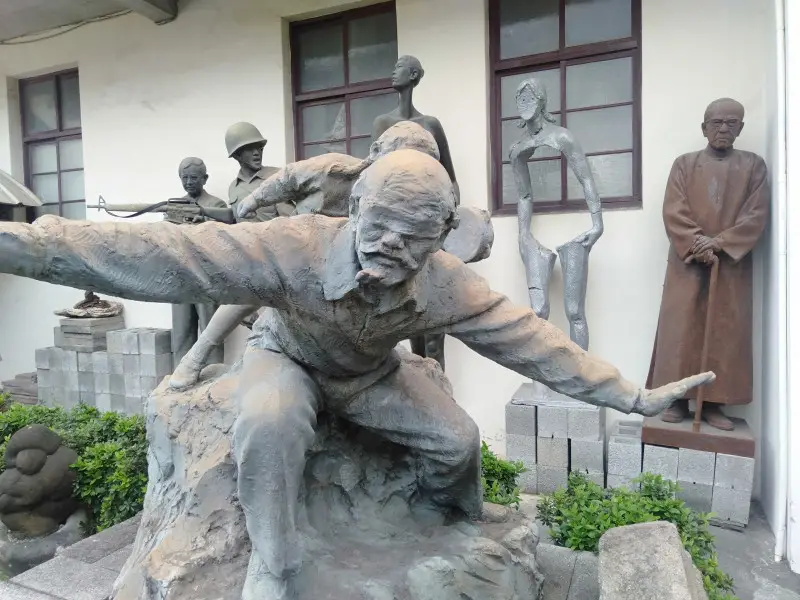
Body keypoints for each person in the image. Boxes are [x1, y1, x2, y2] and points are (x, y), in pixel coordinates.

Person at [0, 150, 713, 600]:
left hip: (371, 376)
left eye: (415, 239)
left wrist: (631, 394)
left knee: (458, 440)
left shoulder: (444, 283)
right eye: (381, 230)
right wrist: (27, 247)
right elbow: (169, 254)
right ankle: (276, 564)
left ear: (439, 238)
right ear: (357, 209)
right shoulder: (294, 246)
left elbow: (532, 342)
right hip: (290, 359)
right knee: (269, 420)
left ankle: (446, 526)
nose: (393, 250)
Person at [647, 98, 769, 431]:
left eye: (732, 123)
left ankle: (714, 403)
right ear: (704, 128)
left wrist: (720, 243)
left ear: (741, 128)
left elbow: (756, 215)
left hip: (730, 265)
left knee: (723, 334)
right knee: (681, 331)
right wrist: (697, 243)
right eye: (716, 123)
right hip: (687, 263)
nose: (724, 129)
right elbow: (674, 209)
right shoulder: (684, 165)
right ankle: (676, 399)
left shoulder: (753, 166)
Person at [372, 55, 461, 367]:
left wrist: (451, 215)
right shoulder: (383, 125)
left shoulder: (430, 125)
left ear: (413, 75)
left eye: (398, 66)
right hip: (398, 237)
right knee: (411, 323)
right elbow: (374, 177)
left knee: (436, 327)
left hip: (430, 234)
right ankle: (423, 395)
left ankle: (442, 398)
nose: (392, 71)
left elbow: (450, 179)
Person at [510, 78, 604, 350]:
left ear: (541, 101)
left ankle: (583, 377)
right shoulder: (517, 150)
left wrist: (597, 224)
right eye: (520, 99)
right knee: (538, 312)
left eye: (529, 98)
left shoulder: (562, 137)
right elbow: (524, 195)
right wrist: (523, 234)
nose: (524, 104)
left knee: (574, 311)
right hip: (533, 241)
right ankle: (543, 383)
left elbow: (586, 179)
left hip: (577, 237)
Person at [169, 157, 230, 366]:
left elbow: (227, 236)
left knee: (210, 334)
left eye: (193, 177)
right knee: (181, 335)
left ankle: (212, 380)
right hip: (182, 278)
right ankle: (179, 381)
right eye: (184, 178)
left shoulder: (216, 205)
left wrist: (204, 222)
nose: (188, 182)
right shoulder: (175, 206)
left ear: (205, 179)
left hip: (207, 278)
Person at [225, 122, 294, 222]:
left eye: (259, 148)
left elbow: (291, 221)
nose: (257, 153)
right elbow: (234, 219)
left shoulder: (277, 177)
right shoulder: (233, 188)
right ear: (236, 155)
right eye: (250, 149)